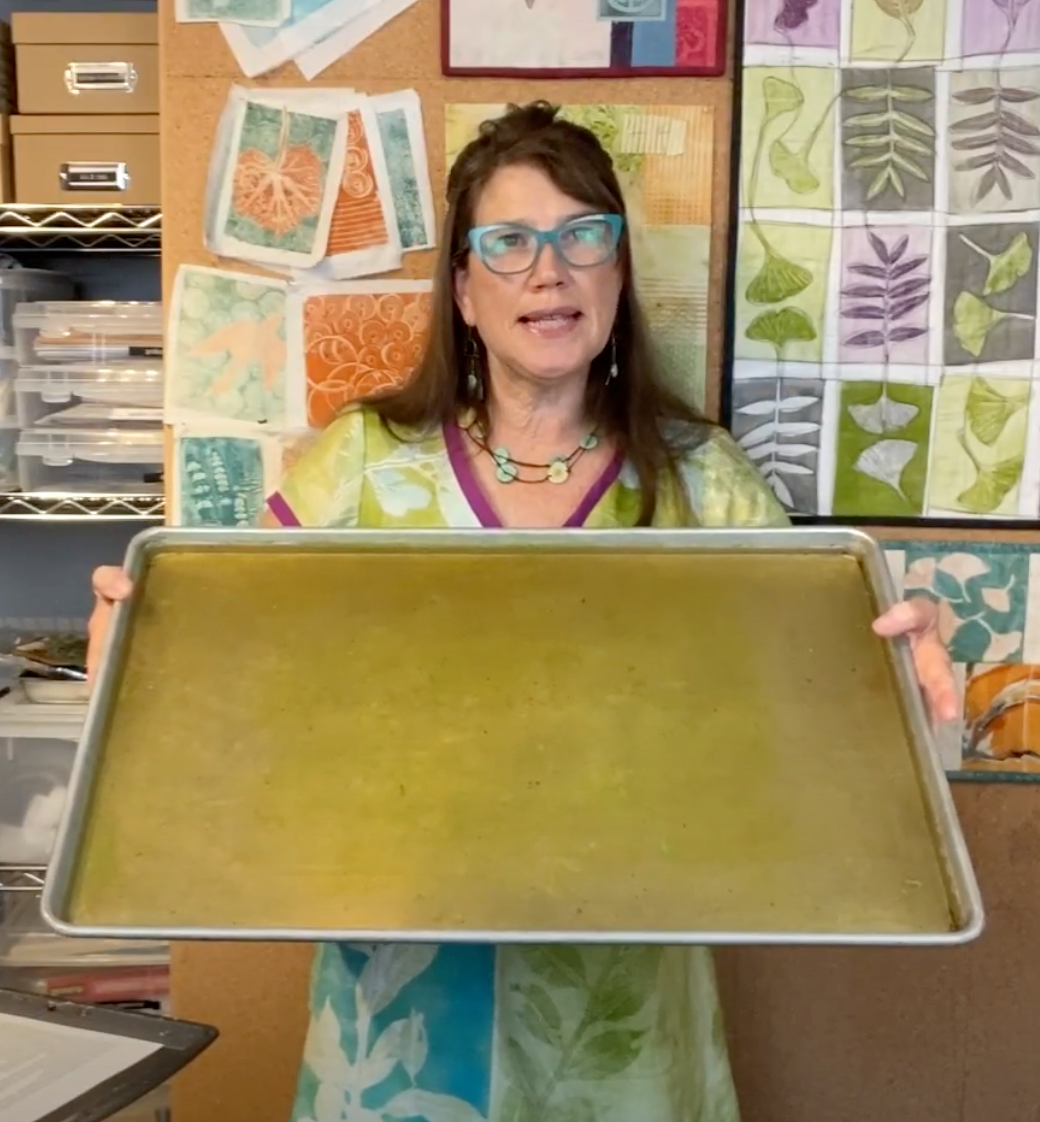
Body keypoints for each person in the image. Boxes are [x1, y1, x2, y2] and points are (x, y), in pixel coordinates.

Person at [88, 102, 957, 1122]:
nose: (548, 272)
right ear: (461, 288)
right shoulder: (363, 467)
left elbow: (809, 728)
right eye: (507, 243)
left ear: (619, 273)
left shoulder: (701, 486)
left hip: (627, 1014)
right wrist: (145, 668)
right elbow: (238, 692)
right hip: (405, 1016)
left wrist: (895, 666)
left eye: (582, 235)